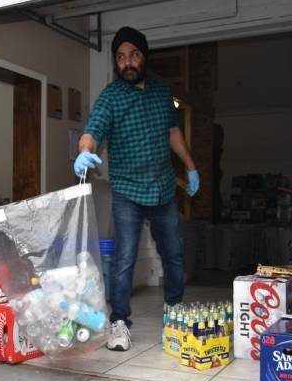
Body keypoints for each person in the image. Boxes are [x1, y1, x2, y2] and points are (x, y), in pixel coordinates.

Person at [74, 26, 199, 351]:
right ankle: (119, 323)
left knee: (173, 254)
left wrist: (191, 166)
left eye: (132, 55)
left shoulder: (161, 91)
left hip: (164, 190)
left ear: (144, 56)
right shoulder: (111, 96)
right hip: (128, 191)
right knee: (124, 258)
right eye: (120, 57)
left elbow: (173, 132)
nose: (126, 62)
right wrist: (85, 150)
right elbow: (93, 129)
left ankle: (174, 308)